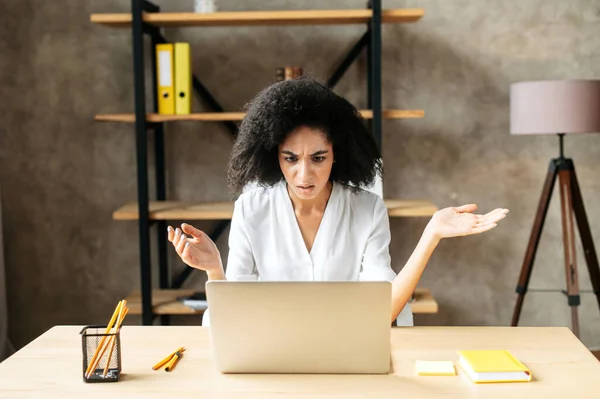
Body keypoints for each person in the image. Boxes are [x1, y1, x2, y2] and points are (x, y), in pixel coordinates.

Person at [167, 77, 508, 325]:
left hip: (349, 350)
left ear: (337, 155)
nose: (304, 175)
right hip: (275, 354)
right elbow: (234, 318)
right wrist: (215, 269)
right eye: (290, 159)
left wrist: (431, 235)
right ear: (274, 158)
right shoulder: (251, 208)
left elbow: (384, 309)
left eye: (318, 158)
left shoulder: (367, 208)